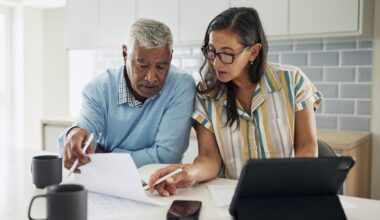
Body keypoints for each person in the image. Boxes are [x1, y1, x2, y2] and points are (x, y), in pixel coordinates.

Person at [148, 7, 322, 196]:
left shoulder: (293, 82)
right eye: (212, 51)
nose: (216, 63)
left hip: (285, 195)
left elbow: (307, 149)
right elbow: (209, 159)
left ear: (253, 52)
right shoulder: (206, 96)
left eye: (227, 54)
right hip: (233, 198)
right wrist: (188, 172)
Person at [58, 18, 196, 172]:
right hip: (106, 182)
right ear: (125, 54)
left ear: (170, 58)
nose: (151, 77)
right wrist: (75, 134)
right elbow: (81, 135)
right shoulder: (98, 90)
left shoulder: (181, 85)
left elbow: (166, 157)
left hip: (159, 184)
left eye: (161, 66)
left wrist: (105, 156)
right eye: (142, 65)